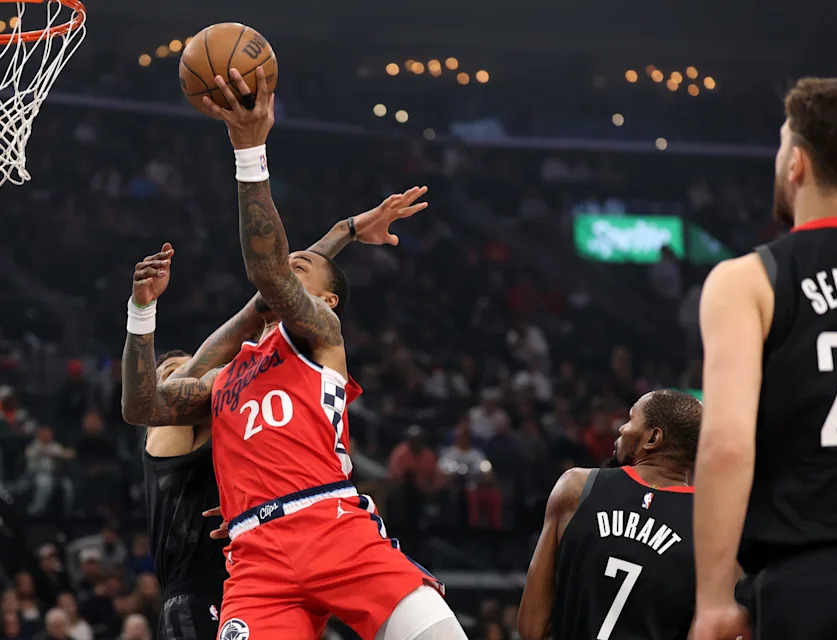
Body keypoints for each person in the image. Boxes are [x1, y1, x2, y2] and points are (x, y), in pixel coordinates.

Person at [121, 67, 463, 640]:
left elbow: (271, 274)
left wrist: (249, 148)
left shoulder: (321, 334)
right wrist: (140, 313)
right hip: (256, 559)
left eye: (302, 264)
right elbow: (142, 405)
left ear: (326, 298)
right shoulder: (228, 376)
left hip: (334, 525)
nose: (290, 264)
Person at [692, 77, 837, 640]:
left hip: (809, 580)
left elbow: (728, 444)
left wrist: (712, 601)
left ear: (797, 164)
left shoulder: (748, 280)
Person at [518, 390, 701, 640]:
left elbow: (532, 628)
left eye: (630, 419)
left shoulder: (576, 487)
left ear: (653, 438)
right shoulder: (711, 526)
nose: (621, 429)